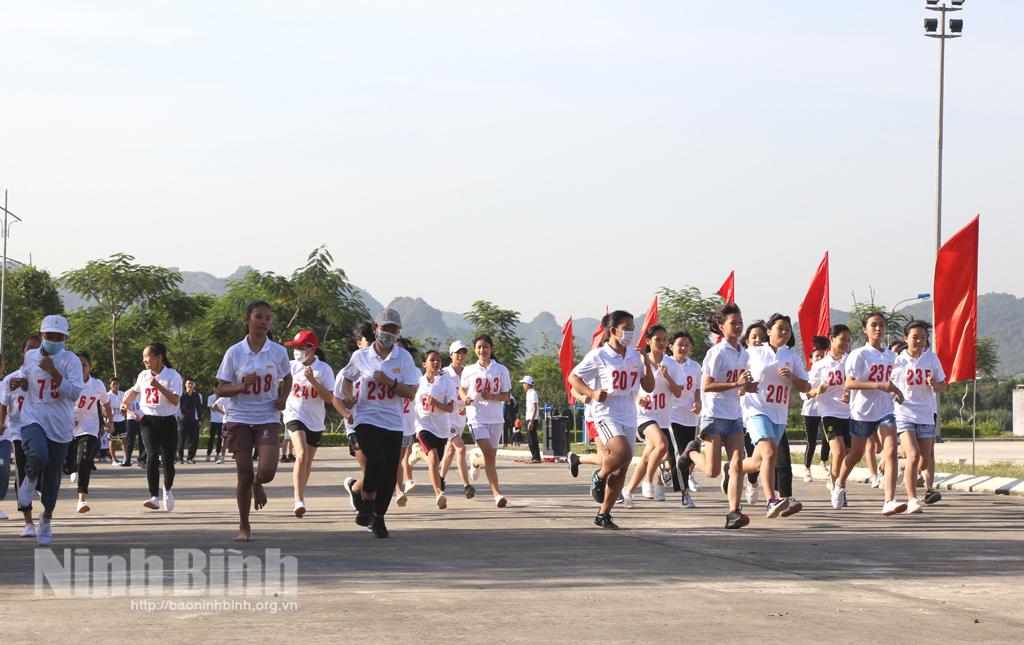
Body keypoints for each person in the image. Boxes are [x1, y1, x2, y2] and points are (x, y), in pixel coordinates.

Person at [336, 307, 419, 538]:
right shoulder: (360, 356)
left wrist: (390, 382)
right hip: (366, 417)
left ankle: (379, 517)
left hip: (392, 421)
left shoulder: (403, 358)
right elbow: (346, 380)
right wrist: (349, 396)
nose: (389, 334)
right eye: (385, 329)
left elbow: (410, 392)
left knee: (390, 474)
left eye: (394, 330)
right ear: (376, 329)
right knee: (375, 459)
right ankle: (367, 505)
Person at [568, 309, 655, 529]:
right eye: (626, 328)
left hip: (628, 413)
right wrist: (592, 393)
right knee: (622, 452)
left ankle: (603, 514)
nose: (630, 333)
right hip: (606, 413)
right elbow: (573, 378)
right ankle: (600, 475)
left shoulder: (635, 356)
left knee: (623, 467)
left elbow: (649, 386)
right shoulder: (599, 355)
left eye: (632, 328)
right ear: (613, 330)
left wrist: (645, 360)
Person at [215, 300, 292, 542]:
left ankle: (259, 484)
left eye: (268, 318)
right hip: (239, 417)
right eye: (259, 317)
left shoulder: (278, 352)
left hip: (267, 416)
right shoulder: (235, 352)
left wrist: (283, 398)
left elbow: (287, 378)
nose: (264, 322)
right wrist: (240, 386)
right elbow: (220, 389)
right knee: (244, 472)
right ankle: (244, 525)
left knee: (267, 470)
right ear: (248, 319)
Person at [677, 303, 755, 530]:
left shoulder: (744, 353)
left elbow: (738, 387)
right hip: (714, 416)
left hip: (734, 416)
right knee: (712, 471)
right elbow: (707, 385)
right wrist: (736, 383)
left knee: (737, 464)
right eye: (733, 323)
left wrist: (746, 388)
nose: (739, 326)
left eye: (740, 322)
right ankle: (690, 453)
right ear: (721, 327)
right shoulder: (717, 352)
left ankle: (733, 512)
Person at [15, 315, 85, 545]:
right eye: (49, 336)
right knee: (37, 454)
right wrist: (20, 383)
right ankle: (30, 478)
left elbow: (75, 393)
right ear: (40, 335)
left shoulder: (70, 360)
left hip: (60, 424)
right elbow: (26, 378)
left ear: (65, 338)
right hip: (34, 416)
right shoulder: (30, 356)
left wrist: (54, 372)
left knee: (53, 480)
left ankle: (46, 518)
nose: (53, 340)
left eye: (58, 337)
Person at [831, 312, 906, 515]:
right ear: (865, 329)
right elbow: (849, 383)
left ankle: (889, 500)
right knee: (855, 455)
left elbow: (892, 382)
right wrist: (878, 385)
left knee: (890, 452)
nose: (878, 329)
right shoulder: (859, 355)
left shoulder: (892, 356)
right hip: (861, 413)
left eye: (881, 325)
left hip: (885, 411)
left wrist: (896, 392)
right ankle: (839, 484)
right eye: (873, 325)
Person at [739, 314, 810, 518]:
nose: (785, 333)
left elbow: (806, 386)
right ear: (768, 331)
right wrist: (742, 385)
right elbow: (738, 377)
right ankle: (771, 501)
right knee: (770, 452)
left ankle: (732, 468)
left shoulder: (792, 357)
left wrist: (792, 377)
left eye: (788, 329)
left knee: (758, 462)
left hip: (779, 415)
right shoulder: (752, 353)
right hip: (756, 410)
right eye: (780, 328)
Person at [622, 325, 683, 507]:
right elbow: (629, 388)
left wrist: (667, 377)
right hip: (643, 415)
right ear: (648, 341)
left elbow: (678, 392)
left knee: (648, 457)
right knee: (662, 444)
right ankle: (648, 481)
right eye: (658, 339)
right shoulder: (638, 362)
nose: (662, 343)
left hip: (662, 416)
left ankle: (628, 490)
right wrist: (638, 397)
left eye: (665, 339)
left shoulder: (672, 364)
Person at [121, 342, 183, 512]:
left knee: (168, 461)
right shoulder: (143, 375)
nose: (145, 360)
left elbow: (175, 400)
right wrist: (124, 402)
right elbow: (135, 391)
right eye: (143, 357)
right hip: (149, 420)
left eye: (147, 356)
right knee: (152, 456)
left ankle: (167, 490)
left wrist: (157, 385)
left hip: (168, 421)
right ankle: (154, 496)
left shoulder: (173, 376)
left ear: (159, 357)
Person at [892, 320, 946, 511]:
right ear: (906, 338)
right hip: (904, 413)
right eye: (915, 337)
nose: (919, 341)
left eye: (923, 337)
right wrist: (893, 393)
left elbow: (942, 386)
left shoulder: (931, 359)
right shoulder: (897, 360)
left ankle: (899, 464)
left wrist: (934, 384)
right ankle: (912, 499)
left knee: (923, 460)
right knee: (914, 455)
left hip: (926, 413)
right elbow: (889, 385)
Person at [282, 330, 335, 518]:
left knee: (307, 461)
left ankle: (301, 494)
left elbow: (329, 398)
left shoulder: (324, 370)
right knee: (301, 454)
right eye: (295, 347)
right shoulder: (290, 367)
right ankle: (298, 499)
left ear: (312, 349)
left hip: (315, 420)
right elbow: (277, 382)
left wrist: (313, 381)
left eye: (300, 347)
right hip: (294, 415)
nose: (297, 351)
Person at [461, 334, 513, 508]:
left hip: (496, 418)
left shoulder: (501, 370)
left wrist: (492, 396)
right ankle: (497, 495)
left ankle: (475, 461)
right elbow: (462, 389)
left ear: (491, 349)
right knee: (490, 455)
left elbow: (506, 395)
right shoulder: (469, 370)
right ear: (475, 350)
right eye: (479, 347)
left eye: (485, 347)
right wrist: (465, 399)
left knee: (490, 459)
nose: (482, 350)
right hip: (476, 417)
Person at [1, 335, 42, 534]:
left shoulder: (46, 378)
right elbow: (3, 404)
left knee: (41, 468)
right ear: (22, 352)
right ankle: (28, 522)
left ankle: (40, 485)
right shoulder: (9, 379)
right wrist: (1, 423)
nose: (33, 352)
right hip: (18, 432)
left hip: (43, 432)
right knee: (21, 473)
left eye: (38, 349)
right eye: (29, 348)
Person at [64, 351, 113, 513]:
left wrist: (109, 422)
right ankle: (72, 468)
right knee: (68, 464)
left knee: (84, 460)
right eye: (77, 365)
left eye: (84, 365)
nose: (81, 368)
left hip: (89, 428)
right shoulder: (67, 383)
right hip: (68, 429)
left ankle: (82, 499)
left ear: (90, 367)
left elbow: (106, 403)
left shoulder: (97, 385)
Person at [808, 324, 853, 493]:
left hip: (849, 413)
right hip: (829, 412)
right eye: (842, 339)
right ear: (832, 339)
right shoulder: (821, 365)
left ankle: (835, 480)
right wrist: (817, 390)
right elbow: (806, 392)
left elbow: (858, 383)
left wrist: (851, 394)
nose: (846, 343)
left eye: (849, 340)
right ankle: (836, 486)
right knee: (839, 451)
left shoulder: (851, 361)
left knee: (849, 453)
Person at [414, 350, 458, 508]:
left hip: (441, 428)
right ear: (424, 363)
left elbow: (449, 408)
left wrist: (436, 403)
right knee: (433, 459)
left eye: (438, 360)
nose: (436, 362)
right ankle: (439, 493)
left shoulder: (447, 382)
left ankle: (418, 453)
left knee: (435, 461)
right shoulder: (417, 382)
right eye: (432, 360)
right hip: (423, 425)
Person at [667, 331, 702, 508]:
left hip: (691, 417)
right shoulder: (666, 365)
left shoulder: (695, 366)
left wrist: (698, 402)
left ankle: (666, 470)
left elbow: (697, 389)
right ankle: (685, 494)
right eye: (680, 344)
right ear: (670, 346)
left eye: (687, 345)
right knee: (679, 454)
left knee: (689, 456)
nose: (684, 347)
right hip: (671, 414)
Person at [339, 327, 373, 511]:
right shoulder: (347, 371)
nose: (372, 346)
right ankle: (368, 513)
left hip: (377, 426)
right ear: (359, 343)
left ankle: (355, 488)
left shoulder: (379, 367)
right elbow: (335, 398)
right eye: (368, 341)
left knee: (379, 471)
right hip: (356, 427)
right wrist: (346, 412)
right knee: (370, 469)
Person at [439, 340, 475, 499]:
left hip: (460, 418)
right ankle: (467, 485)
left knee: (450, 450)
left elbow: (472, 395)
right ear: (451, 354)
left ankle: (440, 479)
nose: (460, 356)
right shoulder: (443, 373)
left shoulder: (469, 372)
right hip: (446, 418)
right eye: (457, 353)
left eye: (463, 352)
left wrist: (466, 407)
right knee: (461, 448)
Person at [394, 338, 420, 507]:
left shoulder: (414, 372)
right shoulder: (383, 367)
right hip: (388, 421)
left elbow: (414, 392)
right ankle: (398, 490)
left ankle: (399, 485)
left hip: (406, 422)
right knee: (394, 459)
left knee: (399, 458)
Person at [800, 336, 831, 482]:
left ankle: (823, 463)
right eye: (816, 356)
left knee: (828, 438)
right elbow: (803, 394)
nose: (819, 358)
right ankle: (807, 468)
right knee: (811, 441)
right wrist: (816, 392)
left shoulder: (827, 374)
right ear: (811, 359)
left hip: (825, 410)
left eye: (821, 356)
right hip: (810, 412)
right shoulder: (806, 375)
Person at [177, 378, 203, 464]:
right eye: (188, 383)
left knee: (193, 440)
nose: (190, 385)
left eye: (192, 384)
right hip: (183, 420)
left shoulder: (197, 395)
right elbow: (181, 408)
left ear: (194, 385)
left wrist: (199, 419)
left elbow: (199, 408)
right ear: (185, 385)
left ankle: (190, 458)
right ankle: (180, 458)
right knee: (181, 440)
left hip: (193, 421)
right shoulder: (182, 395)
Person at [520, 376, 541, 462]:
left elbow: (535, 407)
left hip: (532, 419)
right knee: (530, 439)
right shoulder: (529, 393)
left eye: (524, 383)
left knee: (533, 439)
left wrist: (531, 421)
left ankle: (537, 457)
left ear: (528, 384)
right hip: (529, 418)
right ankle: (534, 456)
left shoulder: (533, 393)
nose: (523, 385)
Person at [107, 378, 125, 464]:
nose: (116, 386)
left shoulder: (123, 394)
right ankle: (114, 459)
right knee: (112, 440)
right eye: (113, 384)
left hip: (122, 419)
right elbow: (103, 407)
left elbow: (126, 405)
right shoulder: (107, 395)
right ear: (109, 385)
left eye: (117, 384)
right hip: (112, 420)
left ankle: (126, 458)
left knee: (124, 439)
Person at [206, 392, 226, 462]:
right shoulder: (211, 397)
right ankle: (208, 454)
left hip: (221, 421)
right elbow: (213, 408)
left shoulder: (223, 397)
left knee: (220, 439)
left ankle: (218, 454)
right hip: (214, 420)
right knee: (211, 438)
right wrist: (223, 412)